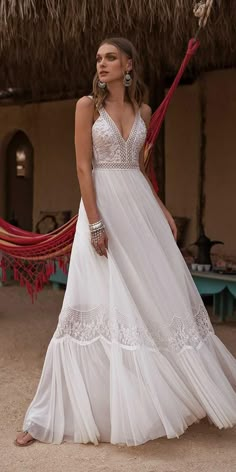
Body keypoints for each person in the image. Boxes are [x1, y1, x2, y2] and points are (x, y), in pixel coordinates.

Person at [15, 37, 236, 447]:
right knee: (88, 303)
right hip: (102, 210)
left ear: (128, 64)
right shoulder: (87, 107)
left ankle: (168, 400)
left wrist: (162, 208)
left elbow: (139, 169)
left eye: (110, 57)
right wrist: (95, 222)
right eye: (98, 58)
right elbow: (84, 167)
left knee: (153, 300)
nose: (102, 64)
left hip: (140, 213)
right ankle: (45, 415)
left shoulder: (144, 111)